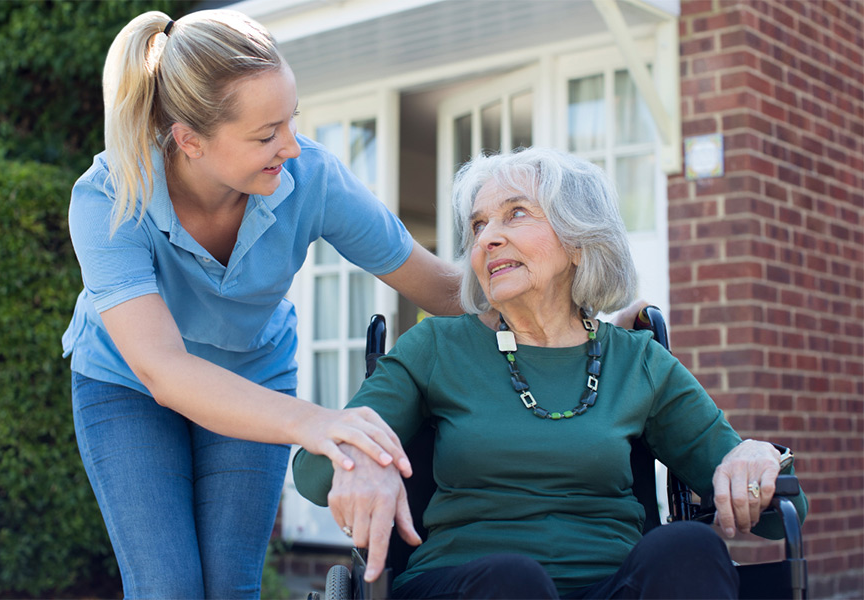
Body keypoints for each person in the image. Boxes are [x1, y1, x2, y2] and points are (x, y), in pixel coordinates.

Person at [61, 9, 469, 598]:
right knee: (168, 587)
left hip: (252, 371)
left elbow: (436, 285)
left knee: (230, 587)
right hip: (128, 386)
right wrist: (317, 423)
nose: (290, 146)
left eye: (290, 121)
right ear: (190, 140)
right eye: (265, 134)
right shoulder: (109, 198)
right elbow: (164, 371)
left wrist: (558, 309)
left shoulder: (312, 178)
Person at [293, 147, 808, 599]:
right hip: (470, 584)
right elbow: (314, 477)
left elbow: (782, 510)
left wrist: (757, 459)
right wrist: (364, 459)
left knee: (692, 549)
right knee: (513, 581)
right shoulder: (436, 347)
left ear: (578, 241)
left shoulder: (638, 362)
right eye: (478, 226)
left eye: (515, 214)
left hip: (612, 583)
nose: (487, 239)